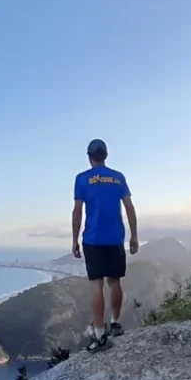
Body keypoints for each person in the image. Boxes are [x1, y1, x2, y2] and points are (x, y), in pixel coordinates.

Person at [72, 139, 139, 353]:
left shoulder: (82, 179)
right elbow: (129, 207)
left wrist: (74, 240)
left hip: (93, 239)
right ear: (106, 155)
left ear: (89, 156)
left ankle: (100, 334)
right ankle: (116, 323)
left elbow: (77, 211)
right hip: (115, 239)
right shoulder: (118, 178)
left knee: (96, 286)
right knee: (115, 281)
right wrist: (134, 236)